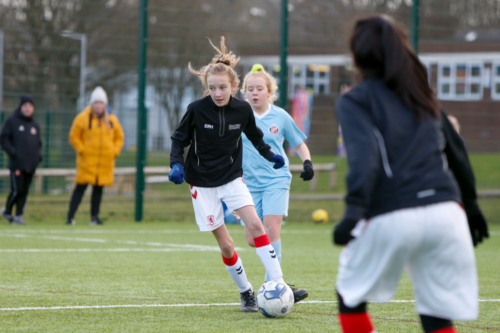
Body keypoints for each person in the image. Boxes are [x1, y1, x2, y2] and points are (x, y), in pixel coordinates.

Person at [332, 15, 488, 333]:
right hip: (447, 214)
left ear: (357, 55)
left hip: (393, 212)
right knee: (436, 314)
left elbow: (365, 161)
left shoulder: (355, 99)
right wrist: (470, 206)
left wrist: (353, 214)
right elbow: (456, 151)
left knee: (349, 295)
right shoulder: (421, 93)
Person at [169, 37, 304, 312]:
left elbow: (256, 138)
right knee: (228, 246)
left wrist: (271, 156)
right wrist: (176, 165)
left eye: (222, 88)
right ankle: (246, 292)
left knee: (257, 227)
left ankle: (280, 284)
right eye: (212, 88)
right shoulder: (196, 109)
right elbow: (178, 140)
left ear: (233, 86)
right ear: (206, 88)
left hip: (232, 178)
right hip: (202, 183)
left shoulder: (242, 110)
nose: (217, 93)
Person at [238, 64, 313, 302]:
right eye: (250, 89)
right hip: (248, 184)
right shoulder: (239, 115)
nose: (254, 93)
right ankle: (276, 281)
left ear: (269, 92)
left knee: (271, 228)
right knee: (253, 239)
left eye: (259, 88)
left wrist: (307, 163)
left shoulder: (280, 116)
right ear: (245, 93)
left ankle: (275, 284)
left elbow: (298, 143)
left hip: (276, 179)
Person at [66, 86, 124, 226]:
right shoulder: (82, 118)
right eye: (96, 103)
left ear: (105, 104)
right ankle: (70, 217)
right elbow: (73, 136)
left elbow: (119, 138)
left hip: (104, 163)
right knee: (79, 190)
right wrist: (82, 150)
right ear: (92, 104)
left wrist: (114, 151)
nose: (98, 105)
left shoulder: (111, 120)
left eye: (101, 103)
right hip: (86, 163)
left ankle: (94, 217)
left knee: (98, 192)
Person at [0, 96, 42, 225]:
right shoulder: (12, 121)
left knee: (25, 191)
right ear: (21, 107)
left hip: (31, 164)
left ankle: (18, 215)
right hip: (17, 164)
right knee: (17, 190)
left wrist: (39, 156)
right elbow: (3, 139)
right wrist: (13, 153)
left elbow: (38, 143)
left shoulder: (35, 125)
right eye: (25, 105)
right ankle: (7, 211)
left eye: (30, 106)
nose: (28, 108)